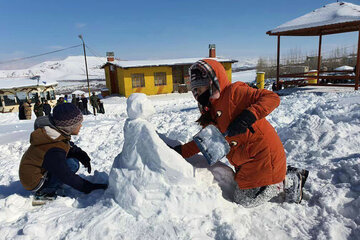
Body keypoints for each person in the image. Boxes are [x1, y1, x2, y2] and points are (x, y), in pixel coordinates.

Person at [171, 59, 307, 207]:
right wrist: (180, 152)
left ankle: (289, 180)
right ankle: (281, 175)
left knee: (243, 201)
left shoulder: (234, 93)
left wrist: (249, 115)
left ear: (212, 83)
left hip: (264, 157)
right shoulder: (209, 109)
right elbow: (206, 141)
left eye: (201, 87)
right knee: (240, 191)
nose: (198, 92)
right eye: (195, 89)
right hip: (247, 161)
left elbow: (271, 98)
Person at [19, 103, 108, 201]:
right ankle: (45, 192)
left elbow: (68, 146)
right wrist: (88, 187)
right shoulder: (53, 147)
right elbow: (65, 175)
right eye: (78, 124)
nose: (81, 125)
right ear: (69, 127)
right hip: (33, 181)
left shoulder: (54, 134)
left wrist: (82, 156)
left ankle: (50, 183)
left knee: (72, 161)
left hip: (36, 172)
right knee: (72, 164)